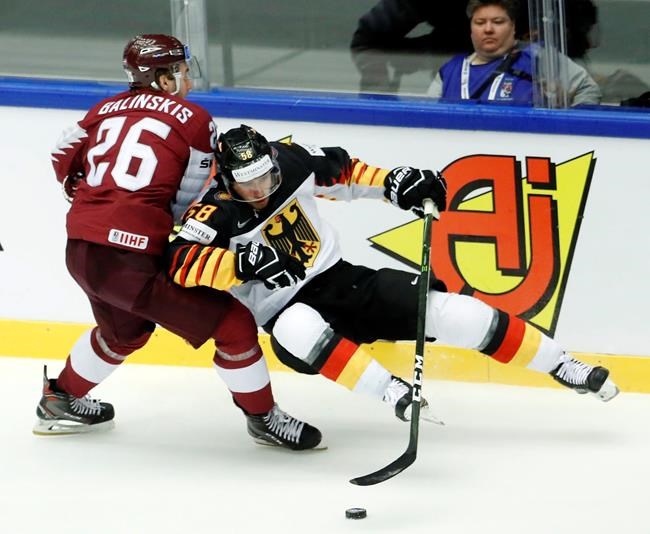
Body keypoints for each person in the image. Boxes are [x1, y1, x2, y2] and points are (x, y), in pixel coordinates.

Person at [165, 124, 619, 418]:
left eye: (265, 177)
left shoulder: (291, 159)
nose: (260, 189)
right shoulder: (213, 211)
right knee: (295, 328)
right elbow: (181, 262)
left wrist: (395, 184)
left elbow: (346, 173)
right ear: (225, 177)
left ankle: (562, 364)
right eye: (247, 183)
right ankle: (393, 394)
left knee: (452, 312)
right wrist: (239, 264)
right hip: (285, 311)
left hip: (343, 281)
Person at [36, 35, 322, 451]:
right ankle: (263, 418)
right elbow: (188, 203)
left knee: (125, 333)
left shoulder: (102, 110)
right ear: (165, 79)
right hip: (128, 258)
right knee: (234, 325)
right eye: (183, 71)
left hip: (81, 246)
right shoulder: (195, 120)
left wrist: (89, 195)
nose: (188, 79)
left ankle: (59, 399)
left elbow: (61, 155)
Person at [351, 0, 598, 94]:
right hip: (459, 96)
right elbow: (369, 39)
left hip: (534, 106)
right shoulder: (449, 66)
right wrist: (379, 99)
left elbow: (578, 43)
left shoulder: (558, 18)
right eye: (480, 22)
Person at [426, 0, 601, 106]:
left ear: (513, 27)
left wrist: (567, 120)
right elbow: (428, 114)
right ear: (471, 29)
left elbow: (588, 90)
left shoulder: (537, 57)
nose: (488, 29)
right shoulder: (450, 70)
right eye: (480, 23)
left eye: (498, 22)